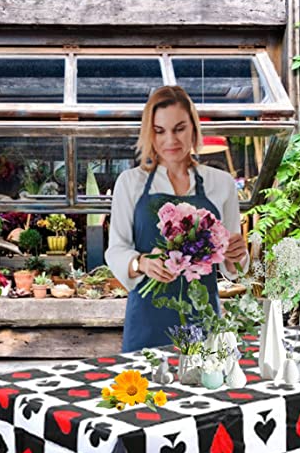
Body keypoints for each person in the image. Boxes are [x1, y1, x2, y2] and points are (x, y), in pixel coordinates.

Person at [105, 85, 249, 353]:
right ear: (150, 133)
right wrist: (141, 263)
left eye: (179, 128)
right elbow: (116, 249)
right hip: (147, 321)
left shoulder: (221, 183)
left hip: (203, 320)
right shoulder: (130, 182)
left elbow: (233, 265)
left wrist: (237, 255)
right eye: (160, 131)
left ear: (194, 128)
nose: (170, 140)